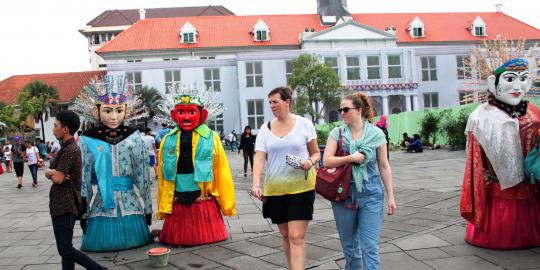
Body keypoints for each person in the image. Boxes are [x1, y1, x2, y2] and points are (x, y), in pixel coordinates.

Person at [461, 58, 540, 249]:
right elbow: (475, 159)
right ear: (493, 83)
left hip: (530, 180)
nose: (517, 86)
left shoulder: (533, 111)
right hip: (498, 185)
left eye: (523, 78)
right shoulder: (481, 116)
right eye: (510, 79)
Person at [75, 76, 153, 252]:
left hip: (130, 203)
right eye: (107, 111)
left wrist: (147, 207)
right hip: (102, 202)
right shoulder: (88, 139)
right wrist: (84, 211)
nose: (113, 116)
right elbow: (84, 178)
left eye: (119, 111)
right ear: (97, 111)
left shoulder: (134, 136)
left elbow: (142, 175)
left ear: (126, 111)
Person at [323, 92, 396, 270]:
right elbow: (327, 161)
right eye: (340, 109)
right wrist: (350, 158)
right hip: (344, 195)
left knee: (369, 248)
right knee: (350, 249)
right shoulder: (337, 133)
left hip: (371, 193)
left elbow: (384, 166)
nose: (342, 113)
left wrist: (391, 197)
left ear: (359, 110)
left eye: (346, 109)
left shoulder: (377, 134)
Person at [251, 86, 320, 270]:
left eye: (275, 102)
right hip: (275, 190)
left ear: (287, 102)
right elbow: (259, 158)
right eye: (270, 103)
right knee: (285, 234)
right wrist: (256, 184)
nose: (272, 106)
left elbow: (316, 153)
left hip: (302, 188)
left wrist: (310, 161)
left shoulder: (305, 124)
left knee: (296, 236)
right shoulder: (265, 129)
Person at [156, 91, 236, 246]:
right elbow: (162, 172)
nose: (186, 117)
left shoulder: (211, 137)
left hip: (202, 190)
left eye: (191, 112)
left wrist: (227, 202)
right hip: (177, 188)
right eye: (181, 112)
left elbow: (221, 170)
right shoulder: (168, 139)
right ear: (174, 115)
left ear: (202, 114)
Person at [45, 110, 106, 270]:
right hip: (60, 204)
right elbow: (52, 172)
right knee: (65, 250)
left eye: (56, 126)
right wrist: (52, 172)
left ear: (65, 129)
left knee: (65, 248)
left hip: (66, 204)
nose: (53, 129)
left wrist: (54, 173)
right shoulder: (65, 148)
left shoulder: (71, 149)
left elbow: (58, 178)